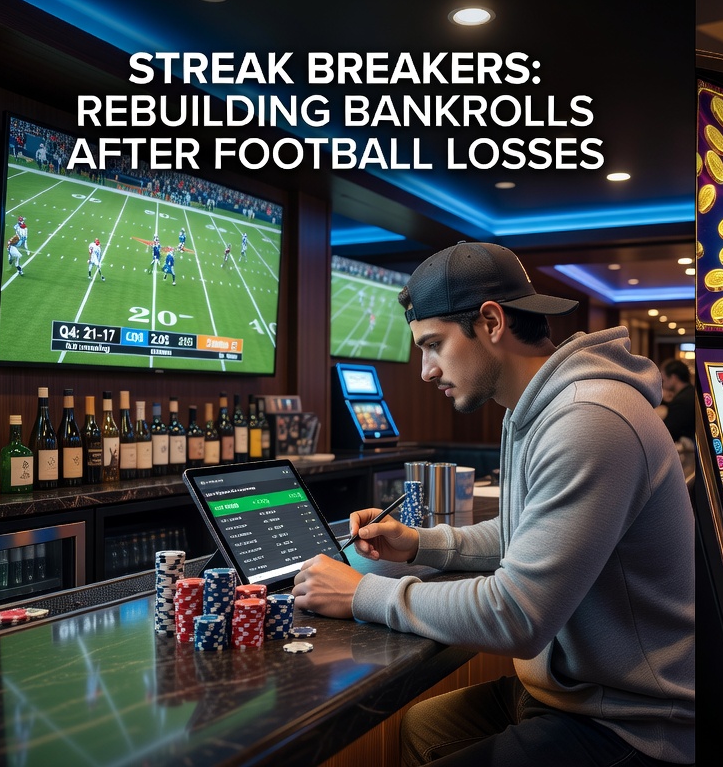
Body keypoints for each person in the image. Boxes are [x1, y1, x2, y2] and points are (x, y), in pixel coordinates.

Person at [291, 242, 696, 766]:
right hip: (572, 694)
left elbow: (516, 614)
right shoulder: (536, 407)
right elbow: (526, 532)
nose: (426, 371)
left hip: (634, 720)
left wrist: (363, 593)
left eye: (434, 344)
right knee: (422, 726)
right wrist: (421, 544)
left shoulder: (589, 418)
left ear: (491, 321)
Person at [660, 358, 696, 444]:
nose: (662, 384)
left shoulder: (681, 402)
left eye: (663, 380)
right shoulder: (691, 393)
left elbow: (666, 434)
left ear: (673, 378)